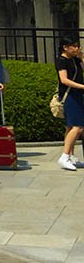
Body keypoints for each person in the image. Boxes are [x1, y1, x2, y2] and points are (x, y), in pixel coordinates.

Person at [55, 37, 84, 170]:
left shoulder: (74, 59)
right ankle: (64, 156)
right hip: (69, 96)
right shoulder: (61, 61)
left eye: (77, 46)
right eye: (74, 46)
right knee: (78, 126)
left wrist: (81, 56)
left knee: (70, 126)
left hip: (77, 95)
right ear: (65, 47)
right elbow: (64, 80)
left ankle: (70, 156)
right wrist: (82, 86)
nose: (76, 48)